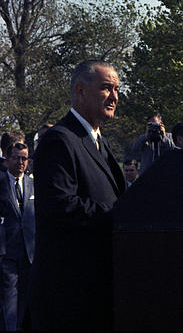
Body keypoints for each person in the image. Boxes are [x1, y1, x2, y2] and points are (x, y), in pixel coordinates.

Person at [30, 59, 125, 331]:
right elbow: (62, 207)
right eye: (106, 88)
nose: (115, 97)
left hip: (99, 292)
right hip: (69, 298)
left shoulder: (100, 142)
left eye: (117, 89)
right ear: (81, 92)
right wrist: (121, 212)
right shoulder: (59, 140)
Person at [0, 142, 35, 331]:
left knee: (25, 301)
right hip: (7, 254)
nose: (21, 162)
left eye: (24, 158)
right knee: (9, 302)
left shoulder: (32, 184)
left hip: (29, 253)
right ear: (7, 159)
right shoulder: (1, 182)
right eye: (16, 158)